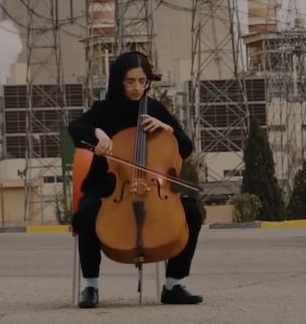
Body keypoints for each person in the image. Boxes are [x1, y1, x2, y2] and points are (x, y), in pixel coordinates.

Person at [68, 50, 204, 309]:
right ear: (119, 81)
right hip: (110, 188)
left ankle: (173, 285)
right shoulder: (104, 109)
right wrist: (97, 133)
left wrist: (168, 129)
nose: (137, 87)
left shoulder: (153, 109)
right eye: (130, 81)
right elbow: (76, 128)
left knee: (192, 213)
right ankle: (91, 286)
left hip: (154, 191)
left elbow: (185, 148)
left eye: (142, 81)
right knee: (86, 213)